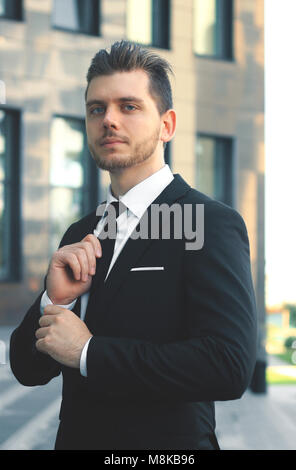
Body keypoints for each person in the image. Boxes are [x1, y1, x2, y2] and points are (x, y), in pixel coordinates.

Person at [10, 40, 257, 450]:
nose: (108, 120)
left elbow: (228, 366)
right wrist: (57, 302)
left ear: (167, 125)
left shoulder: (209, 223)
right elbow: (26, 369)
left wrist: (89, 352)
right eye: (96, 108)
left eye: (129, 106)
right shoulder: (81, 232)